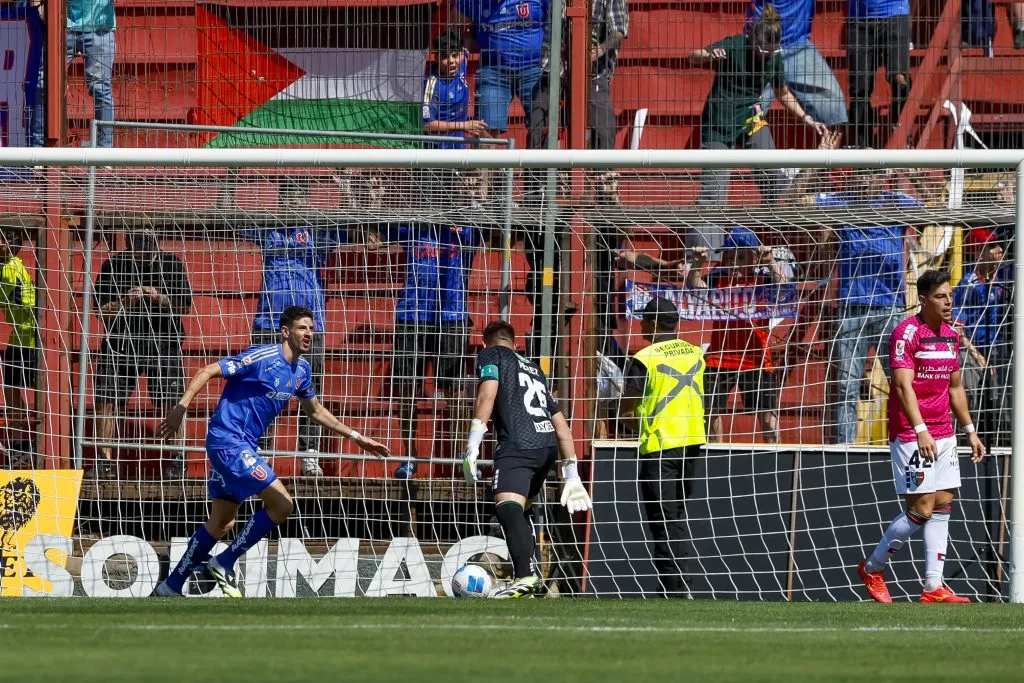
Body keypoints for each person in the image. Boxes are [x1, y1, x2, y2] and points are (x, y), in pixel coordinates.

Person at [154, 305, 389, 598]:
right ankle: (223, 562)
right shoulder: (262, 357)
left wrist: (357, 437)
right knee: (282, 504)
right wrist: (181, 408)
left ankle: (170, 586)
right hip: (228, 441)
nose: (308, 334)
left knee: (222, 522)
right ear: (285, 331)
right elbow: (208, 370)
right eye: (302, 328)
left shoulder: (301, 370)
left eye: (312, 329)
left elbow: (315, 411)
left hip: (241, 446)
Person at [857, 270, 985, 604]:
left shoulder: (952, 336)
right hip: (912, 432)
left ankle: (933, 587)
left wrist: (970, 431)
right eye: (941, 296)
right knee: (923, 508)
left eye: (951, 296)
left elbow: (955, 387)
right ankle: (873, 567)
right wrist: (920, 430)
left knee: (943, 503)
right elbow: (902, 385)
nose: (949, 302)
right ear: (924, 298)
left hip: (944, 432)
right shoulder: (905, 334)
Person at [461, 320, 592, 598]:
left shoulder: (491, 355)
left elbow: (487, 395)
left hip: (518, 444)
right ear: (516, 344)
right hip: (547, 447)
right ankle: (529, 575)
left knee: (507, 506)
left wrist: (472, 444)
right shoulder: (535, 369)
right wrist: (571, 473)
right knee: (522, 508)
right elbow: (561, 424)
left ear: (486, 343)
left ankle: (524, 576)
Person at [242, 178, 343, 477]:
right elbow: (228, 214)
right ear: (280, 201)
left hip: (312, 326)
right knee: (262, 388)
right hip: (269, 324)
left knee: (310, 391)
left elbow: (355, 220)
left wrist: (347, 187)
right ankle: (260, 446)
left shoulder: (318, 231)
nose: (295, 202)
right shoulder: (268, 228)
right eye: (289, 197)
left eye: (300, 197)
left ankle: (309, 453)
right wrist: (233, 177)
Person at [690, 6, 828, 220]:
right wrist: (709, 55)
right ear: (751, 39)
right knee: (714, 195)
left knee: (773, 175)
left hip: (750, 118)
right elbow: (694, 56)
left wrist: (806, 117)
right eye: (761, 50)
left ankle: (771, 226)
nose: (764, 56)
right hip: (720, 121)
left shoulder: (774, 59)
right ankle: (703, 252)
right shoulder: (734, 45)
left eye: (770, 52)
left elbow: (783, 93)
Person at [816, 168, 922, 444]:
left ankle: (909, 442)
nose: (864, 178)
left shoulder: (896, 201)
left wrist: (915, 175)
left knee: (902, 384)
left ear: (882, 176)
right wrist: (813, 164)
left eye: (871, 173)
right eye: (859, 173)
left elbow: (931, 209)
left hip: (890, 309)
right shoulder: (842, 202)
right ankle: (844, 450)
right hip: (852, 308)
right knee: (846, 387)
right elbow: (792, 203)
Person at [376, 223, 478, 479]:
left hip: (452, 314)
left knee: (454, 389)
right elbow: (377, 226)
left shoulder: (465, 227)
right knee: (408, 389)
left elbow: (493, 217)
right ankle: (409, 457)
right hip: (412, 314)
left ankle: (462, 458)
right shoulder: (412, 224)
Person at [621, 297, 706, 597]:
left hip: (660, 448)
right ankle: (675, 583)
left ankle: (676, 588)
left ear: (655, 323)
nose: (640, 323)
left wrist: (632, 422)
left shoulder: (646, 358)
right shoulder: (695, 353)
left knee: (663, 521)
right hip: (692, 446)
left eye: (644, 318)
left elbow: (627, 408)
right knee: (674, 517)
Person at [93, 229, 192, 478]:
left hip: (164, 341)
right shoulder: (113, 265)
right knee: (107, 398)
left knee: (173, 398)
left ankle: (177, 460)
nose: (144, 252)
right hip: (121, 343)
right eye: (139, 245)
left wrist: (159, 298)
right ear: (129, 243)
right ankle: (103, 460)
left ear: (156, 242)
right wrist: (125, 302)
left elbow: (185, 306)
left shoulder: (171, 264)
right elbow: (100, 312)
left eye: (149, 245)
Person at [686, 229, 789, 443]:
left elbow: (786, 290)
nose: (733, 263)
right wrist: (697, 264)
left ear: (754, 258)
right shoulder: (718, 277)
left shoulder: (764, 280)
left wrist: (770, 261)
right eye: (729, 257)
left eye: (740, 257)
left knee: (768, 417)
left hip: (756, 359)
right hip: (719, 358)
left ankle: (777, 457)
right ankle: (715, 457)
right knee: (710, 412)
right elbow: (694, 289)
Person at [745, 0, 848, 130]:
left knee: (835, 110)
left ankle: (827, 148)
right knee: (746, 116)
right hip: (760, 48)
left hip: (798, 46)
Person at [455, 0, 549, 138]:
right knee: (485, 130)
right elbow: (455, 25)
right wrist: (459, 53)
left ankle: (538, 159)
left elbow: (558, 19)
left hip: (534, 67)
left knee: (541, 127)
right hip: (493, 69)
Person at [32, 0, 117, 148]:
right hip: (61, 24)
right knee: (43, 83)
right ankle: (38, 148)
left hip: (100, 27)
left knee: (101, 89)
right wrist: (38, 3)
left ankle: (104, 150)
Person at [953, 229, 1010, 446]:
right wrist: (980, 358)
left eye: (1000, 246)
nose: (1000, 251)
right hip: (971, 350)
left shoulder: (1000, 280)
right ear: (979, 252)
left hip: (995, 349)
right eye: (993, 247)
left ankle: (998, 442)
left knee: (1001, 400)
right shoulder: (968, 284)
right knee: (971, 396)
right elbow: (958, 329)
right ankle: (966, 442)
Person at [847, 0, 911, 149]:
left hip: (896, 13)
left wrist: (909, 16)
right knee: (859, 89)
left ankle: (903, 135)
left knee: (900, 79)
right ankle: (863, 151)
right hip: (859, 19)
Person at [0, 230, 37, 467]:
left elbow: (25, 303)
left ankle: (24, 447)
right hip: (21, 337)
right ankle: (20, 446)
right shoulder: (15, 267)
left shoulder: (9, 270)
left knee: (18, 392)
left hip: (28, 339)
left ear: (6, 244)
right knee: (13, 391)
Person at [423, 30, 489, 146]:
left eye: (454, 55)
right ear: (437, 58)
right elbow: (427, 125)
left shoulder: (462, 64)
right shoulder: (432, 84)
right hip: (437, 152)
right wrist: (464, 126)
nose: (451, 61)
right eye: (445, 57)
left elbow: (468, 37)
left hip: (459, 147)